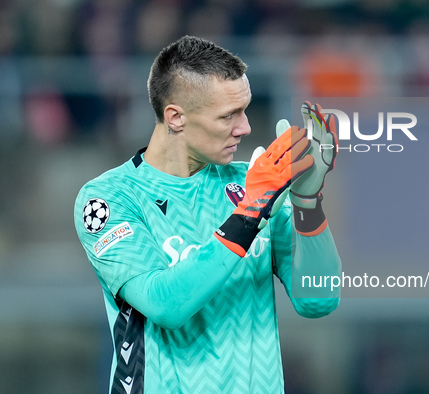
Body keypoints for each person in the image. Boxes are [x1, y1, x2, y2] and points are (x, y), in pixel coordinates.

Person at [74, 35, 341, 393]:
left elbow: (318, 299)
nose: (244, 127)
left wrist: (307, 201)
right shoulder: (109, 199)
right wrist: (251, 212)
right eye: (228, 115)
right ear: (176, 118)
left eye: (244, 110)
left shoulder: (257, 184)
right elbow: (164, 304)